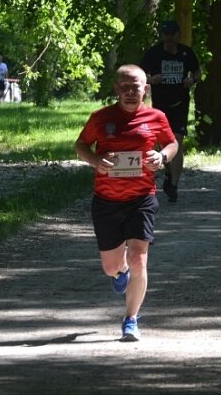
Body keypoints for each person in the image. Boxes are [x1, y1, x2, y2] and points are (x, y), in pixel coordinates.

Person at [75, 64, 178, 342]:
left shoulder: (156, 117)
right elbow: (81, 145)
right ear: (116, 89)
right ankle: (118, 273)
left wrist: (162, 157)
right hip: (107, 200)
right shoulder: (101, 118)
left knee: (138, 258)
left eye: (137, 87)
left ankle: (131, 319)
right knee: (112, 266)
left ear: (146, 89)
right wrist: (96, 161)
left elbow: (171, 143)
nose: (131, 92)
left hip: (141, 198)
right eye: (125, 87)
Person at [139, 20, 202, 202]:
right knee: (162, 144)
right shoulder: (154, 53)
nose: (168, 37)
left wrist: (193, 80)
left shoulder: (186, 53)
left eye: (172, 33)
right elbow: (140, 75)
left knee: (177, 143)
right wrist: (151, 79)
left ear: (177, 34)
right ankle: (167, 173)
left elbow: (198, 72)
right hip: (160, 108)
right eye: (165, 33)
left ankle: (174, 186)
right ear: (162, 35)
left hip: (180, 105)